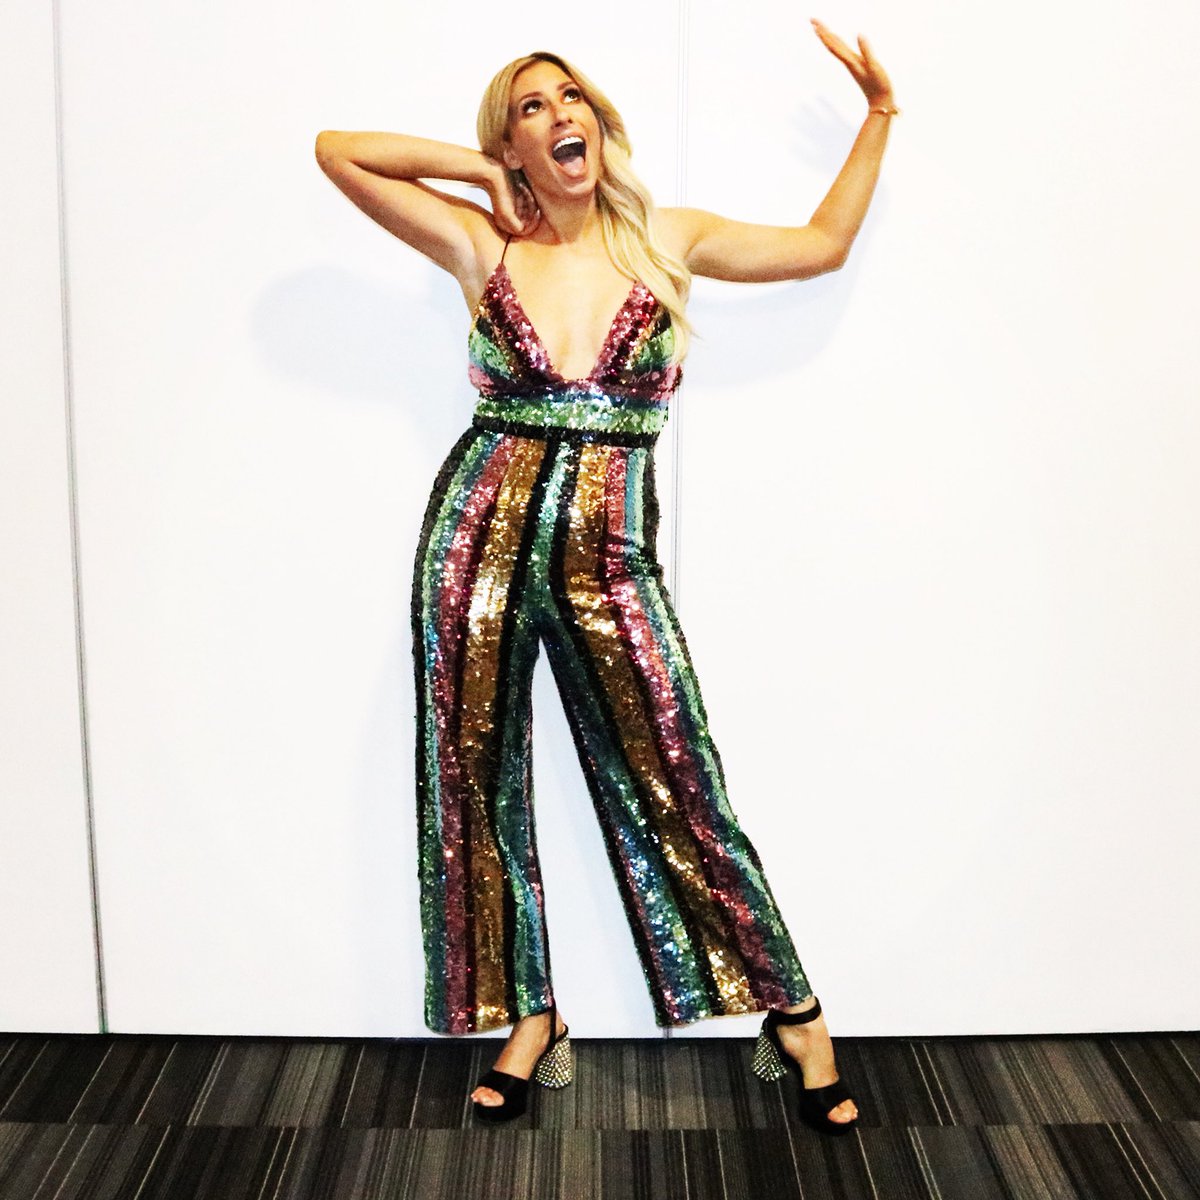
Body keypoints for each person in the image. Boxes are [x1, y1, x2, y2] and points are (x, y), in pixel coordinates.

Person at [315, 19, 896, 1135]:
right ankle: (529, 1015)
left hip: (608, 555)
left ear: (598, 120)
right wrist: (480, 171)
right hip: (476, 536)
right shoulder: (483, 247)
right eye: (530, 110)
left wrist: (879, 114)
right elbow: (337, 150)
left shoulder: (666, 239)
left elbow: (823, 244)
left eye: (568, 97)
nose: (557, 116)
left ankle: (794, 1010)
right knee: (472, 775)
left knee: (678, 773)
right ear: (515, 147)